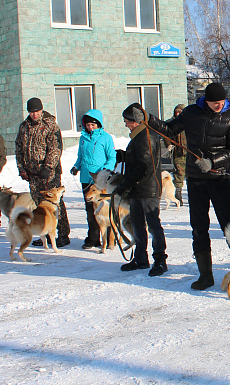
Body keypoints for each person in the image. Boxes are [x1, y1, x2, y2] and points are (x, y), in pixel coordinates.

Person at [146, 82, 230, 291]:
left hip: (219, 178)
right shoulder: (191, 113)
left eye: (221, 102)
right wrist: (148, 119)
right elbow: (170, 129)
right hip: (196, 179)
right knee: (199, 227)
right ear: (205, 101)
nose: (219, 106)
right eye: (214, 103)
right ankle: (205, 275)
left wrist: (213, 162)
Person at [116, 104, 168, 276]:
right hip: (138, 188)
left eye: (127, 121)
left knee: (153, 225)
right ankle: (141, 258)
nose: (126, 125)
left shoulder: (145, 136)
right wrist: (125, 155)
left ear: (136, 121)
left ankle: (160, 260)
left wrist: (126, 183)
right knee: (138, 225)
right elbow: (140, 158)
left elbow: (145, 165)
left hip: (148, 188)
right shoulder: (138, 137)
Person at [15, 97, 70, 247]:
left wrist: (48, 167)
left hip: (48, 174)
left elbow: (55, 148)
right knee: (39, 206)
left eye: (37, 111)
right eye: (31, 112)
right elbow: (19, 149)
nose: (34, 114)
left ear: (41, 110)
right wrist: (21, 168)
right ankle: (44, 233)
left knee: (54, 204)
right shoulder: (24, 127)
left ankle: (63, 233)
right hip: (32, 174)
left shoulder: (50, 125)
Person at [70, 109, 116, 250]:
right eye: (88, 125)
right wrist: (76, 166)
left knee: (105, 209)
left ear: (98, 124)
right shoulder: (83, 138)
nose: (90, 127)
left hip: (101, 180)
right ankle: (93, 238)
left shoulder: (106, 138)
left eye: (93, 125)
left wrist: (105, 170)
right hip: (86, 178)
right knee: (91, 211)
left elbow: (112, 157)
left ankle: (109, 239)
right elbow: (80, 156)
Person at [168, 104, 187, 206]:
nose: (177, 114)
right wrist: (169, 145)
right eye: (176, 112)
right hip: (178, 153)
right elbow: (167, 135)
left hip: (189, 153)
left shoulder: (189, 123)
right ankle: (178, 194)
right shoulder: (172, 124)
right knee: (178, 174)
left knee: (191, 174)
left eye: (180, 112)